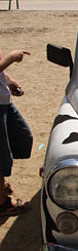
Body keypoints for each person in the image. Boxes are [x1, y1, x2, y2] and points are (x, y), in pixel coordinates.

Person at [0, 49, 33, 216]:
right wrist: (11, 57)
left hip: (3, 101)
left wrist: (9, 82)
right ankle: (3, 203)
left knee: (22, 137)